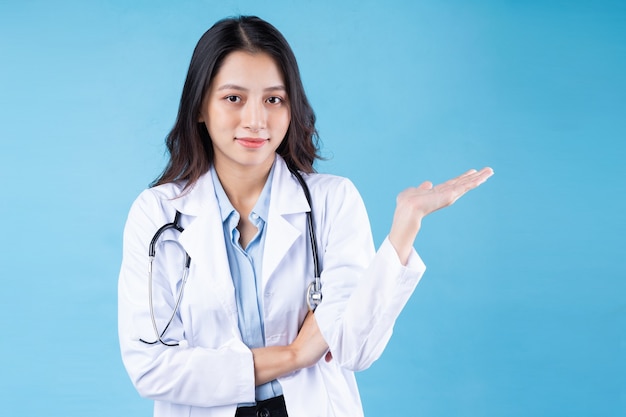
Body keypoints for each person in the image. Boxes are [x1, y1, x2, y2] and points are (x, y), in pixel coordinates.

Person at [118, 15, 493, 417]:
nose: (256, 120)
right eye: (233, 98)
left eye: (273, 99)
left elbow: (354, 349)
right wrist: (297, 354)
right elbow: (151, 368)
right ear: (200, 108)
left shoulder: (333, 202)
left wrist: (403, 228)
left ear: (291, 108)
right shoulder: (156, 214)